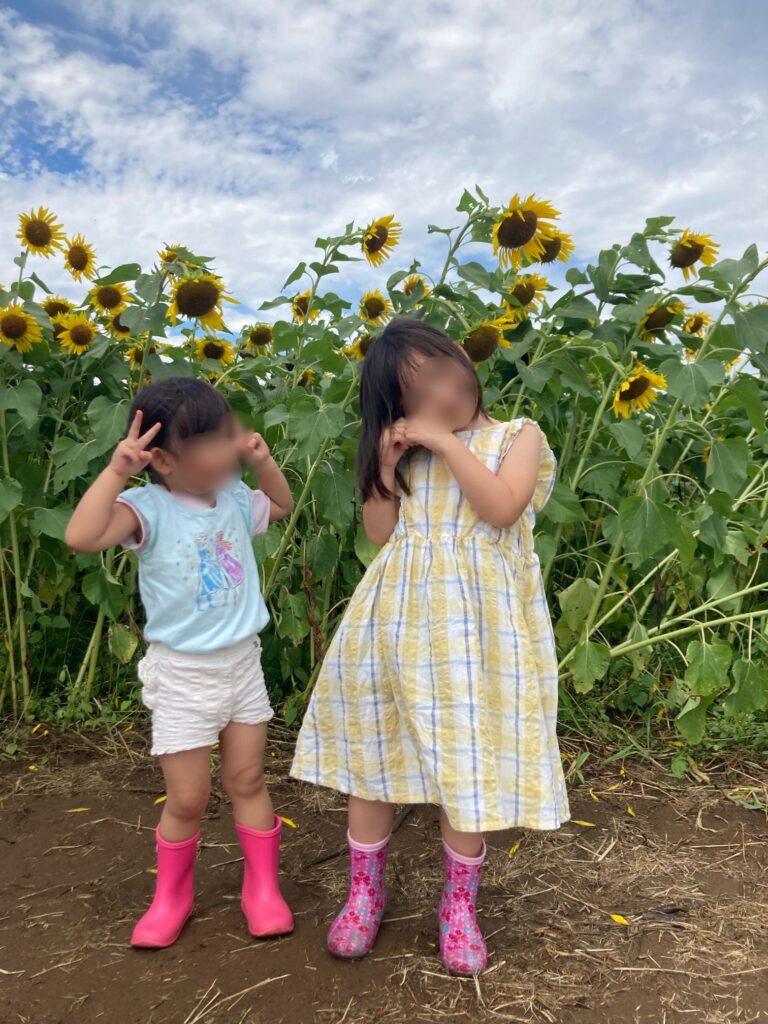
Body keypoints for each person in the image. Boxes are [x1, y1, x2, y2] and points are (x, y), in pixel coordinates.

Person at [290, 318, 570, 976]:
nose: (444, 394)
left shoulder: (515, 436)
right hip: (397, 626)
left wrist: (447, 441)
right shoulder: (411, 456)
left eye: (446, 372)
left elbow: (502, 508)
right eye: (420, 394)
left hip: (475, 636)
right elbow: (382, 532)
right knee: (375, 753)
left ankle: (459, 905)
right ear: (397, 411)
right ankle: (364, 892)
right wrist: (386, 465)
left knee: (464, 765)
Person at [65, 377, 295, 949]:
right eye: (213, 441)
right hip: (183, 675)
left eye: (229, 434)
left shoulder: (238, 497)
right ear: (163, 459)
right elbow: (81, 535)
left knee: (247, 778)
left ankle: (261, 890)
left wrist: (264, 464)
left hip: (242, 663)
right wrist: (117, 471)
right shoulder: (148, 508)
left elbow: (285, 505)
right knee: (188, 798)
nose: (229, 447)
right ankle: (172, 896)